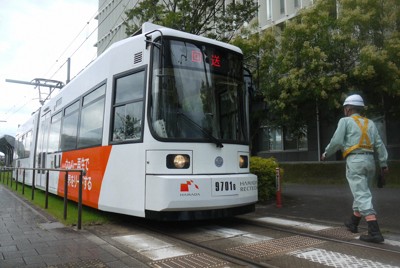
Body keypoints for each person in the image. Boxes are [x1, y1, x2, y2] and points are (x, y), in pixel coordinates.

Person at [321, 94, 388, 243]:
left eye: (345, 107)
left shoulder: (345, 121)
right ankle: (353, 223)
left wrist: (326, 153)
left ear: (349, 108)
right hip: (370, 161)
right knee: (363, 192)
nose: (344, 110)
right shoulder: (370, 123)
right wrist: (383, 164)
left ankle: (374, 231)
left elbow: (337, 141)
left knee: (362, 194)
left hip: (355, 160)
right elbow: (379, 144)